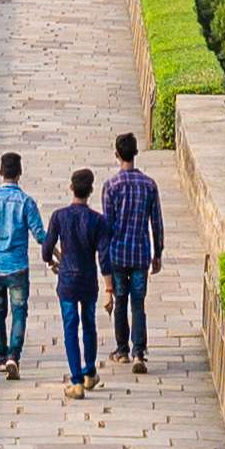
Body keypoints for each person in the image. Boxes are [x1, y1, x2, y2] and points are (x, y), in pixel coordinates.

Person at [93, 127, 162, 372]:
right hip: (141, 253)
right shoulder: (149, 185)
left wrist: (103, 257)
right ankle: (139, 353)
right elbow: (157, 222)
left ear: (116, 154)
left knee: (121, 301)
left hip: (118, 255)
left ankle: (122, 350)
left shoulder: (111, 186)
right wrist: (158, 253)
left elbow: (107, 226)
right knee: (138, 305)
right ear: (135, 153)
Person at [0, 150, 43, 376]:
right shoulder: (26, 202)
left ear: (0, 172)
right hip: (18, 266)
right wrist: (58, 257)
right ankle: (14, 355)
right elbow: (41, 236)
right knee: (19, 311)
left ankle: (1, 356)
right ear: (20, 173)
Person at [45, 164, 108, 392]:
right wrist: (110, 287)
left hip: (67, 281)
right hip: (88, 280)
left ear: (71, 188)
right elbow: (103, 256)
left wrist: (52, 262)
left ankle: (76, 381)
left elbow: (46, 248)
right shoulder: (97, 220)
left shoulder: (59, 216)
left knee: (70, 327)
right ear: (90, 191)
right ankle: (90, 370)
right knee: (89, 324)